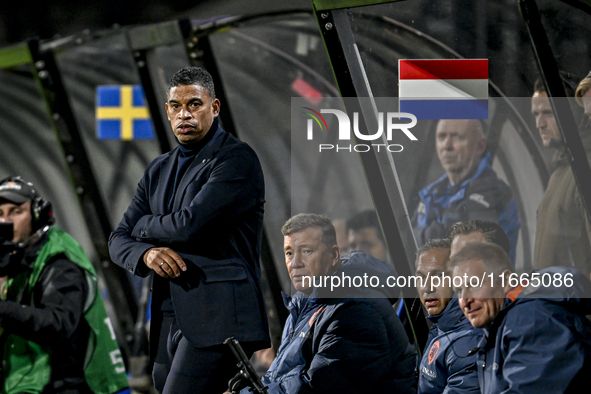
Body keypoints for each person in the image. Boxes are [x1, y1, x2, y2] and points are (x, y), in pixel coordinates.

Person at [108, 66, 270, 393]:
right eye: (175, 106)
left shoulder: (237, 159)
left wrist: (143, 225)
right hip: (170, 312)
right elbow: (117, 240)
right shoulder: (158, 168)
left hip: (221, 314)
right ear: (167, 111)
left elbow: (189, 226)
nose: (184, 114)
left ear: (215, 107)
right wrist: (147, 252)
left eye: (194, 104)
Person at [250, 213, 416, 393]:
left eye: (306, 251)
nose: (295, 263)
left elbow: (315, 386)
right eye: (289, 253)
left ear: (334, 255)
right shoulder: (302, 308)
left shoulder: (358, 310)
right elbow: (276, 376)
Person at [0, 176, 129, 394]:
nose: (6, 222)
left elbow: (59, 325)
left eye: (16, 211)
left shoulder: (60, 262)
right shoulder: (14, 256)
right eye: (0, 214)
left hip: (75, 383)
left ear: (37, 215)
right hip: (30, 379)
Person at [448, 242, 591, 394]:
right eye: (459, 291)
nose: (465, 301)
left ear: (505, 280)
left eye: (474, 284)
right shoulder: (499, 328)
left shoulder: (531, 319)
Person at [412, 119, 520, 261]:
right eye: (441, 137)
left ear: (480, 147)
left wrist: (420, 237)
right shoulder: (430, 193)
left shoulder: (495, 194)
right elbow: (403, 240)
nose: (447, 146)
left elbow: (464, 251)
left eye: (457, 137)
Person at [531, 76, 591, 276]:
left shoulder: (585, 168)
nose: (539, 124)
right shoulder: (561, 170)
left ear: (574, 113)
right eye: (536, 114)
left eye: (547, 113)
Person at [415, 238, 481, 394]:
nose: (427, 287)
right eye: (421, 277)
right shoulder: (443, 326)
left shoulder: (466, 343)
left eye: (438, 276)